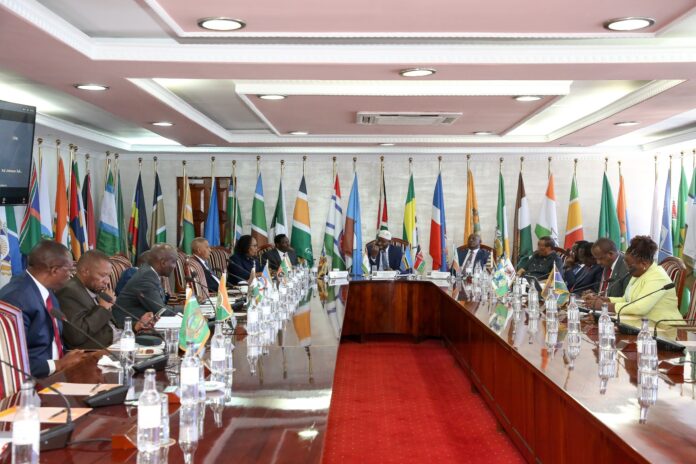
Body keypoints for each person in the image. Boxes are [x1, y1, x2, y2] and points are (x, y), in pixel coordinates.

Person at [0, 241, 87, 377]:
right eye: (69, 270)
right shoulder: (16, 299)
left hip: (58, 373)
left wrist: (70, 358)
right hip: (32, 382)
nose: (71, 276)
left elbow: (51, 342)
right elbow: (10, 360)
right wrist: (58, 364)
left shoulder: (47, 291)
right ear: (54, 270)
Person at [584, 236, 684, 338]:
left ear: (644, 263)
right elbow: (626, 299)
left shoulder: (658, 277)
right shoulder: (638, 273)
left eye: (630, 266)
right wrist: (604, 299)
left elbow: (640, 308)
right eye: (626, 265)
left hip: (664, 329)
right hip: (643, 324)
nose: (628, 269)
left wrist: (604, 306)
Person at [113, 244, 177, 330]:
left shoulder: (150, 273)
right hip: (127, 327)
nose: (175, 266)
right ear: (163, 262)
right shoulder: (146, 277)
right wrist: (188, 309)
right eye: (173, 262)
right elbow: (161, 311)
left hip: (143, 323)